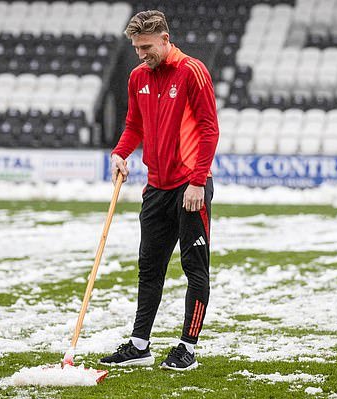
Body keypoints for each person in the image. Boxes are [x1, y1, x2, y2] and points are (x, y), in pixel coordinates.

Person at [99, 10, 219, 370]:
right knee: (149, 268)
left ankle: (188, 348)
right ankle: (139, 345)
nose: (140, 54)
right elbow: (134, 124)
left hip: (190, 187)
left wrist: (198, 180)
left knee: (194, 269)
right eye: (136, 48)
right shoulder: (138, 77)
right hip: (156, 187)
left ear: (165, 39)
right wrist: (120, 152)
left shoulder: (192, 71)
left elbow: (209, 129)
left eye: (146, 47)